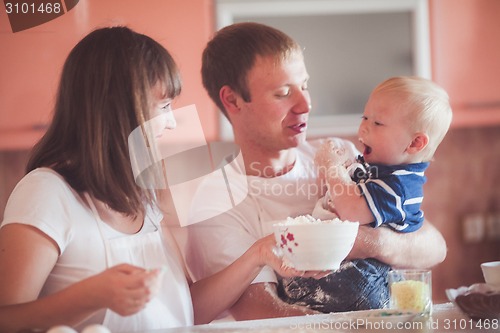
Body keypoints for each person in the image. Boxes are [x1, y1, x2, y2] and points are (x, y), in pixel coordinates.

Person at [0, 26, 321, 333]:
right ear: (118, 109)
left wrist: (257, 255)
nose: (170, 122)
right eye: (164, 106)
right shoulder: (46, 192)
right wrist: (90, 296)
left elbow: (187, 310)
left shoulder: (142, 199)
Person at [184, 22, 447, 318]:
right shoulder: (215, 202)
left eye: (305, 86)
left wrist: (364, 242)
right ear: (232, 100)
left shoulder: (339, 154)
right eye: (283, 93)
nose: (306, 104)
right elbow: (259, 308)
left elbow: (433, 247)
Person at [313, 76, 453, 232]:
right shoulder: (375, 169)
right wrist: (339, 170)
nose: (363, 127)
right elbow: (331, 195)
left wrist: (332, 167)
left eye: (377, 123)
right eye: (364, 117)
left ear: (414, 143)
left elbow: (351, 212)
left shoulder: (399, 187)